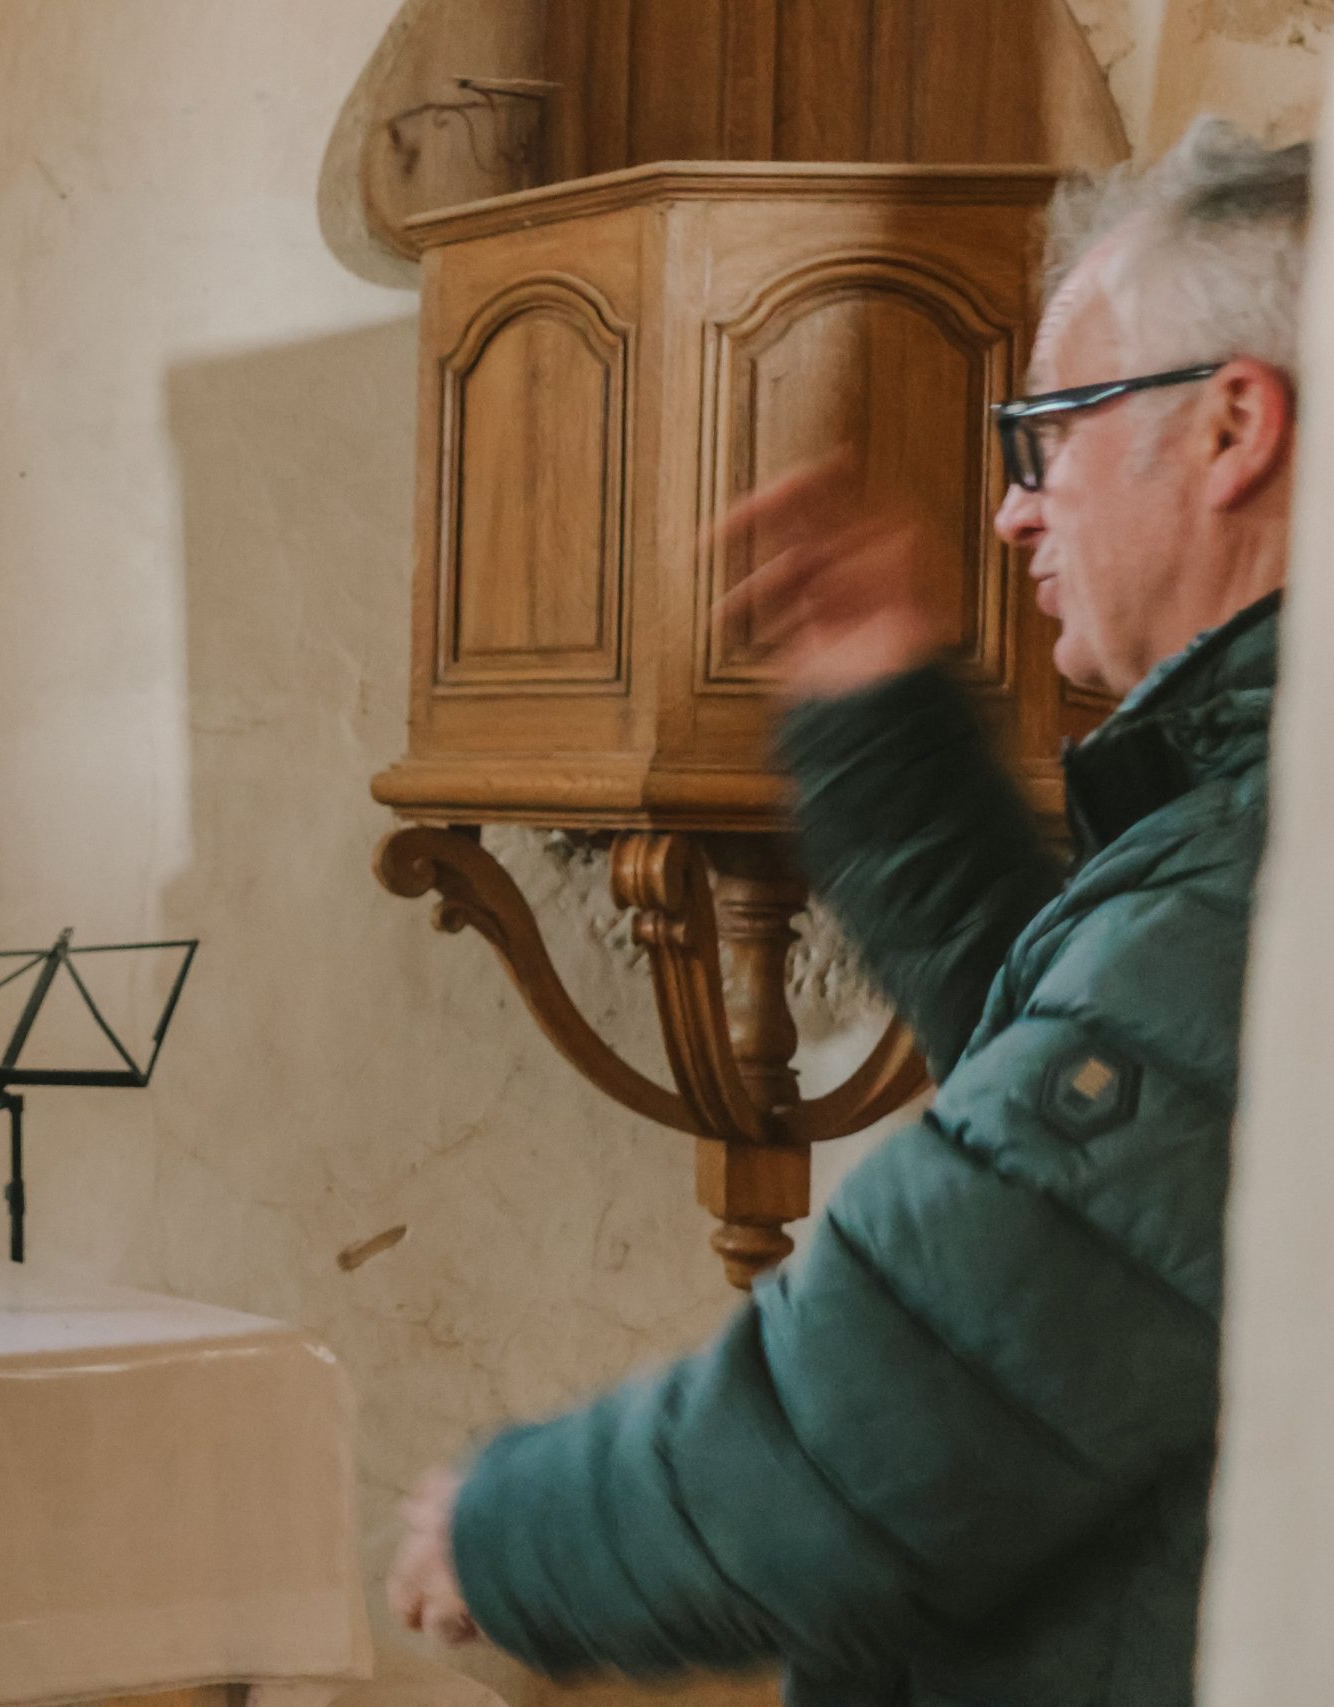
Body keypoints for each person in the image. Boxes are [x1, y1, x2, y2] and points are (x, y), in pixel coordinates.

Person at [387, 119, 1305, 1707]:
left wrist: (502, 1523)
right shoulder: (1249, 831)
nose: (1017, 509)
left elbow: (900, 1417)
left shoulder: (1258, 873)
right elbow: (1107, 1210)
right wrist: (889, 727)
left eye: (1052, 429)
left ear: (1234, 425)